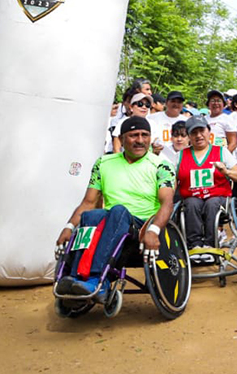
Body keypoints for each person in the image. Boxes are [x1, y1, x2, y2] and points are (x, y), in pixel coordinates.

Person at [54, 116, 175, 297]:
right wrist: (69, 227)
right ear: (122, 138)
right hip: (110, 222)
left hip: (142, 225)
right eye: (134, 135)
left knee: (118, 211)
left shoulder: (161, 165)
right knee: (91, 216)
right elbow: (88, 203)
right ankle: (75, 278)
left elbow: (167, 202)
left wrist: (154, 230)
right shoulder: (103, 163)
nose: (140, 140)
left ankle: (97, 280)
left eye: (145, 135)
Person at [177, 115, 237, 261]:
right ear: (188, 136)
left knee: (212, 203)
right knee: (191, 203)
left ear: (209, 132)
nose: (199, 136)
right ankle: (195, 245)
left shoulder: (221, 152)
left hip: (217, 197)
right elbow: (173, 180)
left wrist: (226, 172)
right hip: (192, 198)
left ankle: (210, 243)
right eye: (194, 133)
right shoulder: (180, 155)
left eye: (202, 131)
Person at [147, 90, 186, 155]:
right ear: (166, 103)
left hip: (181, 158)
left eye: (179, 102)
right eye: (173, 101)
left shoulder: (187, 121)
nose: (176, 104)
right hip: (157, 156)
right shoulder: (152, 118)